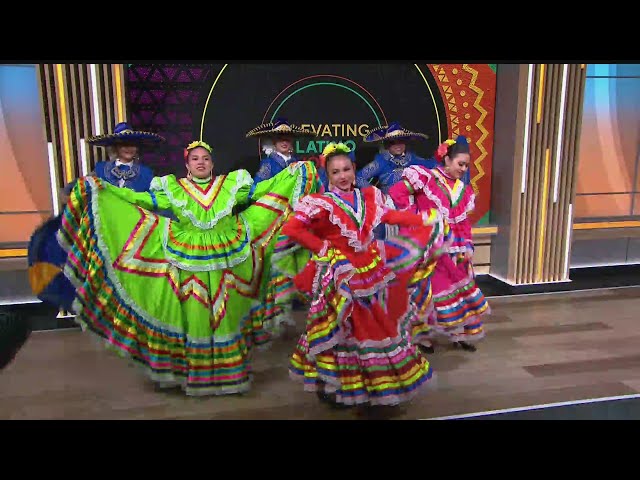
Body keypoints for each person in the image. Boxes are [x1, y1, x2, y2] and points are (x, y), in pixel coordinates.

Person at [56, 140, 321, 396]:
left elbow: (260, 191)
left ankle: (231, 373)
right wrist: (105, 189)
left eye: (205, 158)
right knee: (197, 315)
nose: (201, 162)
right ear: (187, 164)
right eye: (195, 158)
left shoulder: (230, 184)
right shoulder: (173, 188)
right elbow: (141, 199)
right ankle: (200, 375)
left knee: (225, 314)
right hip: (188, 257)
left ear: (212, 162)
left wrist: (292, 173)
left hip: (227, 257)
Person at [282, 142, 447, 408]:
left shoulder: (369, 197)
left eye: (346, 169)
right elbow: (293, 228)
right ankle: (339, 385)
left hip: (368, 271)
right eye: (335, 172)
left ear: (354, 169)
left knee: (370, 327)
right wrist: (323, 248)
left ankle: (369, 384)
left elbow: (391, 216)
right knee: (342, 329)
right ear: (327, 175)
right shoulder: (320, 203)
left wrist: (423, 219)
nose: (343, 176)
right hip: (340, 276)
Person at [27, 122, 165, 311]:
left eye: (132, 144)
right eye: (124, 144)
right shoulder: (100, 170)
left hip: (136, 232)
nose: (128, 148)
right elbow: (71, 191)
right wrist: (77, 201)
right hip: (106, 232)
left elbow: (157, 200)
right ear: (116, 147)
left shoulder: (147, 174)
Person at [389, 136, 489, 353]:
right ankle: (424, 338)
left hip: (455, 251)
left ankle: (459, 334)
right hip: (431, 250)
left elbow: (463, 223)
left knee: (460, 293)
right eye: (460, 164)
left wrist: (468, 247)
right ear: (447, 160)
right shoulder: (425, 178)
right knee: (427, 295)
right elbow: (397, 193)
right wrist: (418, 219)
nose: (463, 169)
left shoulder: (464, 190)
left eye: (466, 165)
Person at [356, 122, 436, 193]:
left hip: (412, 206)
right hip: (390, 206)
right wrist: (377, 195)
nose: (398, 145)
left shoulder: (412, 158)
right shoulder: (381, 162)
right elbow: (359, 178)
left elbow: (434, 166)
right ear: (387, 145)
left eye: (401, 141)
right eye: (393, 142)